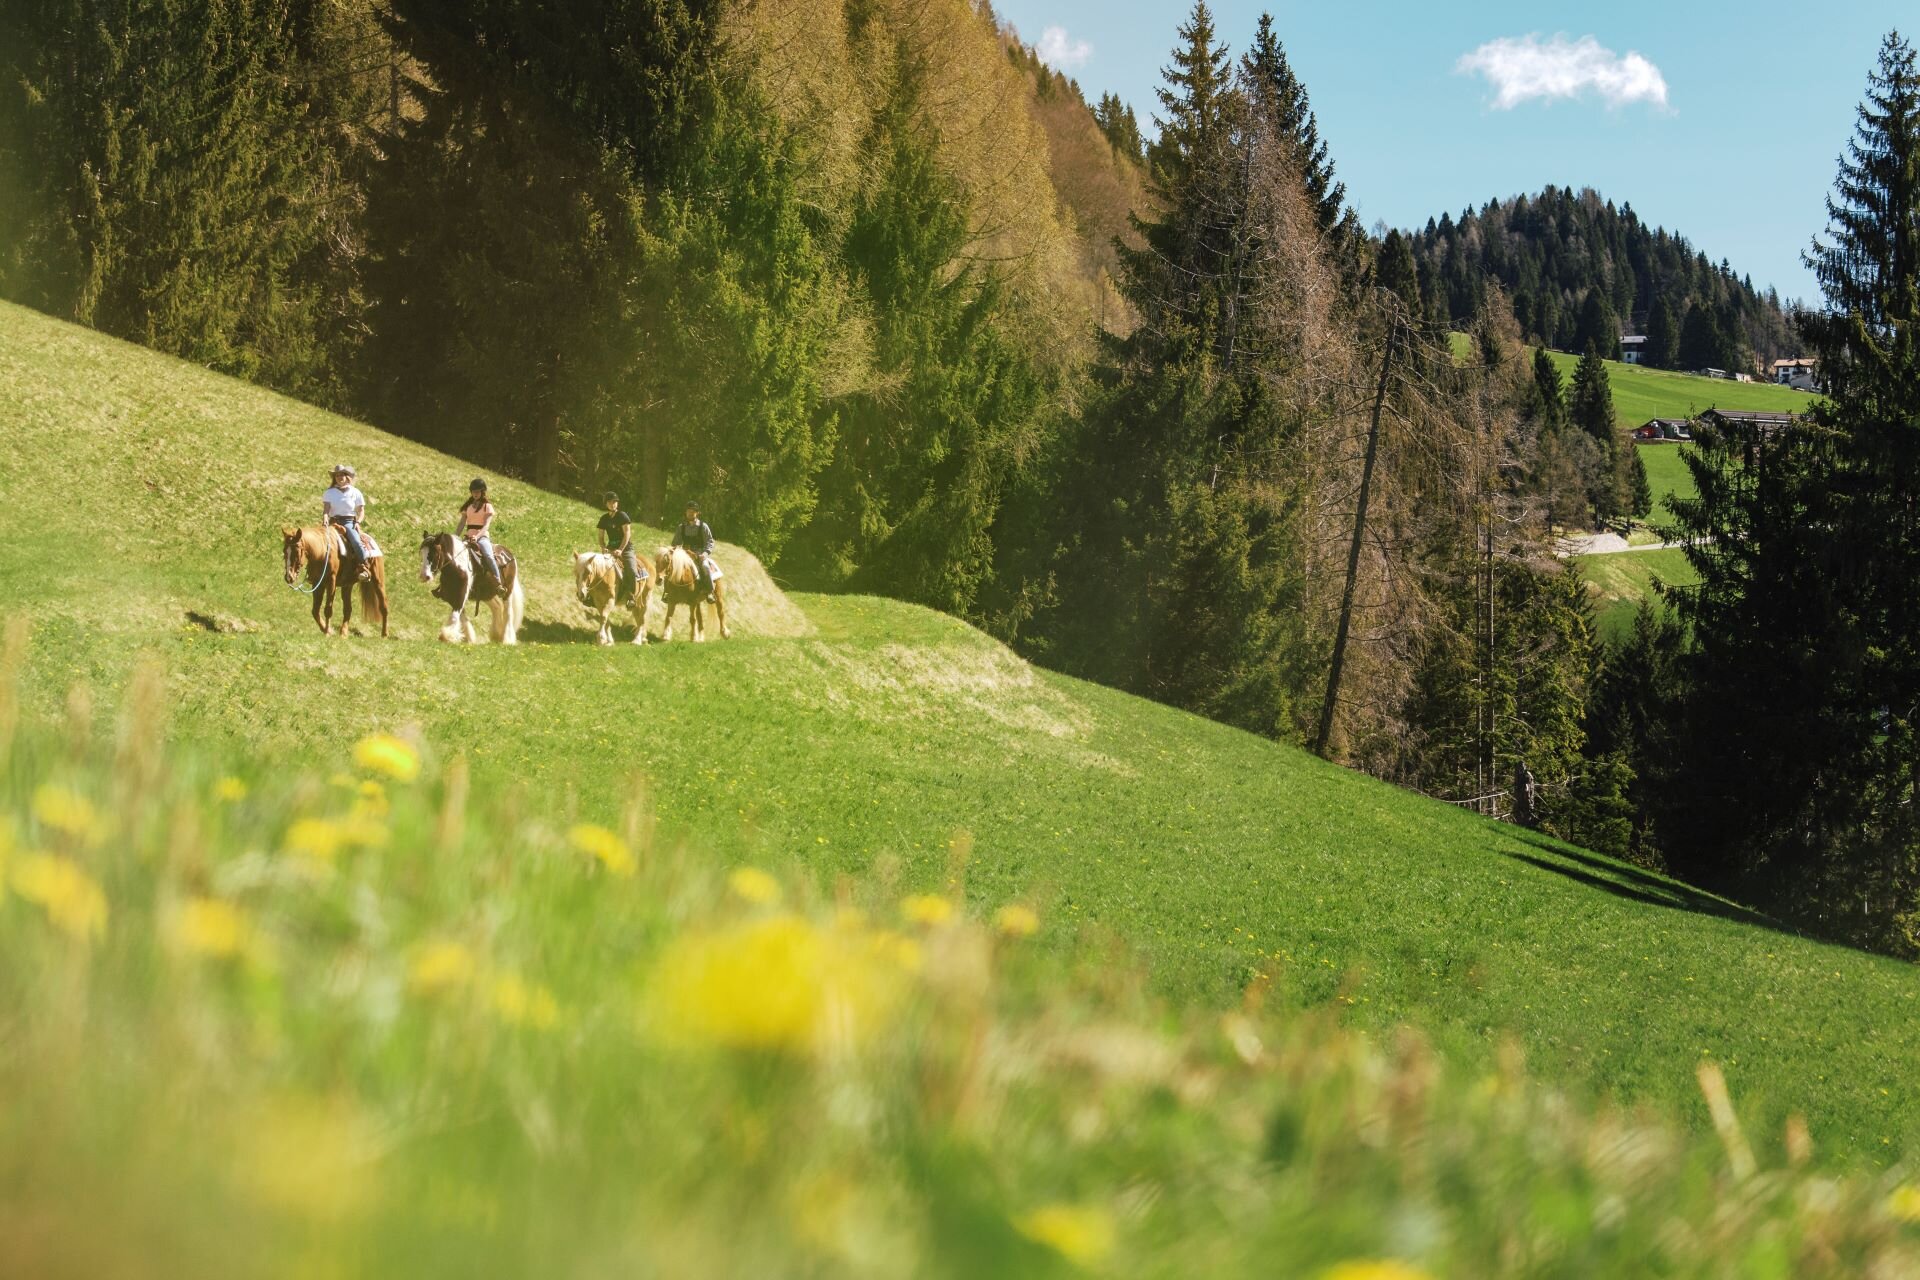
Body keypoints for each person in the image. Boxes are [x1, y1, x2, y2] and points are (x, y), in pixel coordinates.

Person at [321, 463, 370, 579]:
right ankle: (315, 570)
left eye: (342, 475)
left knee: (356, 542)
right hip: (333, 522)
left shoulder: (355, 492)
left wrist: (358, 522)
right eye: (337, 475)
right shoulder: (329, 493)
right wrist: (325, 518)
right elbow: (326, 510)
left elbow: (361, 511)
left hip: (348, 522)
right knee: (319, 542)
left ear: (347, 476)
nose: (339, 477)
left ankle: (364, 566)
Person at [597, 492, 645, 603]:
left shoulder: (622, 516)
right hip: (610, 548)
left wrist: (620, 549)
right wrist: (603, 547)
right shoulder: (604, 518)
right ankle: (593, 594)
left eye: (615, 502)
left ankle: (631, 596)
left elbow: (627, 534)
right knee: (598, 566)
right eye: (610, 502)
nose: (612, 504)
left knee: (632, 570)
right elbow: (600, 537)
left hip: (626, 548)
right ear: (606, 504)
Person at [460, 478, 503, 593]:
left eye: (477, 491)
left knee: (488, 555)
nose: (475, 494)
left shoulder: (487, 506)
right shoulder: (467, 506)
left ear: (482, 492)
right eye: (473, 491)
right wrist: (454, 537)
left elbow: (486, 526)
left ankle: (498, 582)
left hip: (482, 536)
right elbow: (461, 524)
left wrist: (477, 536)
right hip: (468, 537)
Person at [672, 500, 716, 598]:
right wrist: (676, 550)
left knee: (705, 567)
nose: (690, 513)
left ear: (697, 513)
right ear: (685, 512)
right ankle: (668, 592)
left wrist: (705, 554)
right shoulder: (681, 527)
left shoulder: (703, 526)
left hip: (699, 555)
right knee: (671, 566)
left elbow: (710, 542)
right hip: (685, 555)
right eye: (688, 511)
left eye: (693, 511)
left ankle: (710, 591)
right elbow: (675, 543)